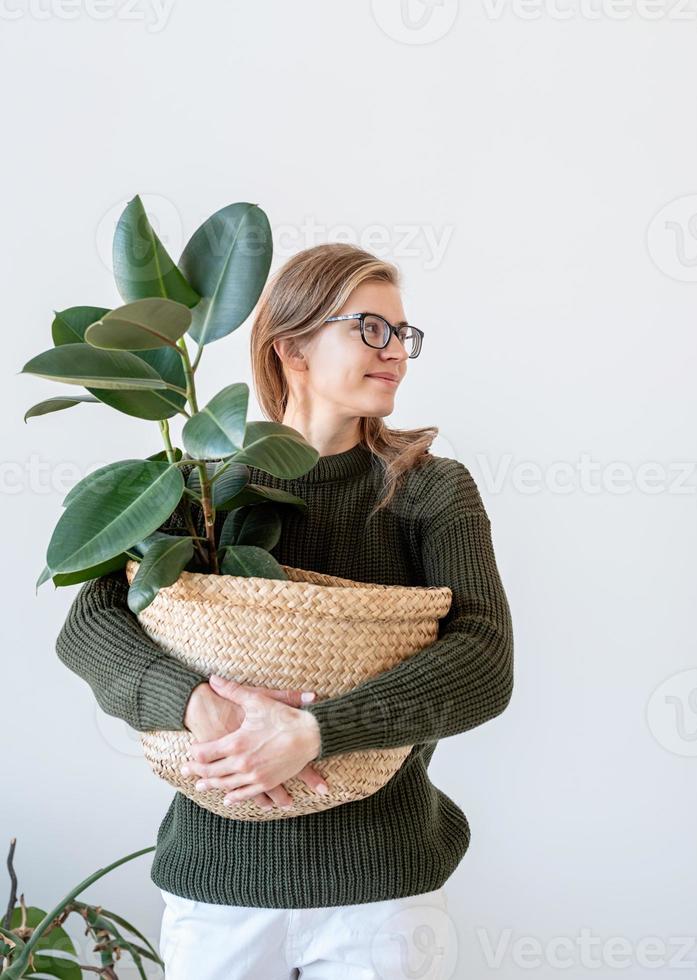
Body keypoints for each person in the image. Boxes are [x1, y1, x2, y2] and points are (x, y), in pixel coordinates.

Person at [55, 242, 515, 979]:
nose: (396, 351)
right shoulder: (201, 485)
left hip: (383, 896)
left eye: (403, 334)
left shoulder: (431, 489)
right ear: (291, 347)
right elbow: (90, 622)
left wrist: (314, 733)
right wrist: (197, 704)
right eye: (371, 328)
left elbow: (486, 660)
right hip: (218, 888)